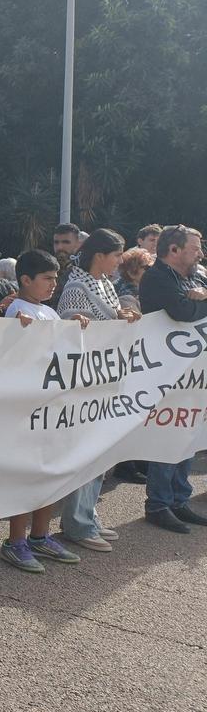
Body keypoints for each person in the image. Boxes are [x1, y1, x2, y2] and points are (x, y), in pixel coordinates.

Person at [0, 250, 87, 572]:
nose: (53, 284)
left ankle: (40, 535)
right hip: (27, 406)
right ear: (25, 279)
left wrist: (74, 327)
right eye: (47, 278)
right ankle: (15, 541)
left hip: (51, 405)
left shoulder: (48, 311)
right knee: (27, 475)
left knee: (49, 471)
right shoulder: (16, 310)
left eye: (55, 278)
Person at [54, 229, 139, 551]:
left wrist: (123, 318)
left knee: (99, 454)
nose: (119, 261)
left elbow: (107, 323)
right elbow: (73, 333)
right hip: (85, 382)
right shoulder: (77, 286)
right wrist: (114, 321)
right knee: (86, 453)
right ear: (100, 255)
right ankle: (77, 522)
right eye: (116, 255)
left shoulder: (104, 283)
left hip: (103, 380)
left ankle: (87, 514)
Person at [137, 225, 207, 534]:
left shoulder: (193, 276)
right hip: (166, 372)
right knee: (168, 435)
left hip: (191, 373)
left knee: (188, 434)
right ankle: (159, 504)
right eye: (195, 248)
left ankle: (179, 499)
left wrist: (203, 295)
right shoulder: (156, 277)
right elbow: (182, 311)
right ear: (174, 250)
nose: (201, 254)